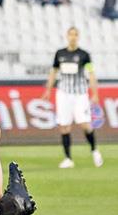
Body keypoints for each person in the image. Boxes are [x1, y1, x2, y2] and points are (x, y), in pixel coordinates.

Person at [41, 27, 102, 168]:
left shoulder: (84, 55)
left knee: (84, 123)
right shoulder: (60, 54)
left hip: (80, 94)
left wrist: (95, 93)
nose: (73, 37)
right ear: (67, 36)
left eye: (75, 35)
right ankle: (68, 159)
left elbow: (91, 74)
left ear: (78, 37)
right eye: (71, 34)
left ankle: (94, 150)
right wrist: (48, 90)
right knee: (64, 126)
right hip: (63, 94)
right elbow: (53, 72)